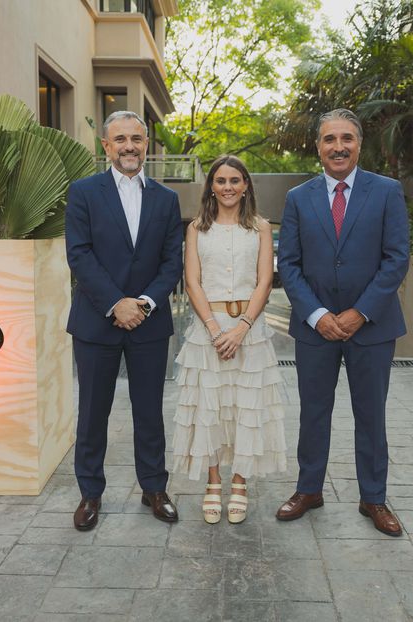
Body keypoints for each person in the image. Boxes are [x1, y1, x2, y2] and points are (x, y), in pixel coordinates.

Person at [275, 108, 409, 535]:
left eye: (346, 138)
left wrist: (358, 312)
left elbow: (396, 258)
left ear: (359, 144)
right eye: (330, 139)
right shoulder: (299, 197)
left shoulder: (387, 192)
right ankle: (309, 489)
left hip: (372, 327)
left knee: (371, 415)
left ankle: (374, 498)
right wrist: (316, 315)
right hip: (315, 329)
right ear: (318, 146)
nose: (338, 146)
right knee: (313, 412)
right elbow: (289, 265)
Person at [64, 110, 183, 531]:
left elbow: (172, 262)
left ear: (146, 144)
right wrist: (116, 303)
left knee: (149, 410)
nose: (129, 146)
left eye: (136, 138)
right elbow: (79, 255)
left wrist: (144, 304)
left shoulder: (167, 200)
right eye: (120, 140)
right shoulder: (83, 192)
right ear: (106, 146)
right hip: (97, 323)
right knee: (93, 411)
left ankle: (154, 488)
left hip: (149, 325)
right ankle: (90, 494)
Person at [171, 155, 287, 525]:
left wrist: (242, 328)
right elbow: (192, 282)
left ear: (246, 185)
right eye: (220, 180)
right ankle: (212, 481)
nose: (228, 187)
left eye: (235, 180)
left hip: (249, 330)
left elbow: (265, 280)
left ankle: (239, 482)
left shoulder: (260, 228)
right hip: (209, 329)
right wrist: (215, 329)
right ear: (211, 187)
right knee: (210, 407)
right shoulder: (196, 229)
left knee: (245, 408)